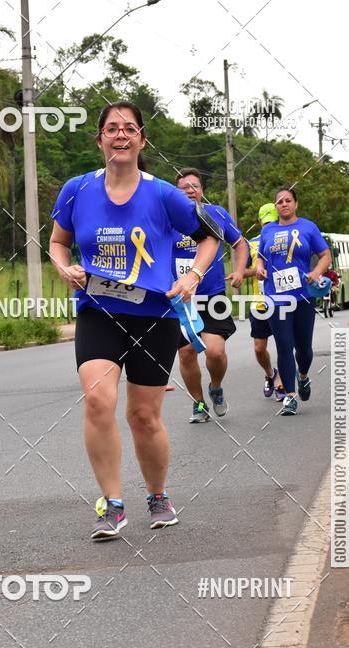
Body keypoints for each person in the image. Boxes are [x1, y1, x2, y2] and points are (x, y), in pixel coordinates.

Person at [49, 102, 221, 540]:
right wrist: (63, 267)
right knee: (97, 400)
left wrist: (193, 275)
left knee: (144, 416)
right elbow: (57, 241)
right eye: (111, 129)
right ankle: (113, 503)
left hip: (153, 315)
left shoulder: (163, 193)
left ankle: (157, 495)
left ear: (142, 140)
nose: (120, 136)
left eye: (129, 129)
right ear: (100, 140)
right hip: (98, 312)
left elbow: (208, 239)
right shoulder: (77, 189)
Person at [172, 168, 248, 421]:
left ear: (201, 190)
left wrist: (238, 271)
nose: (190, 190)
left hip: (212, 295)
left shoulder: (215, 214)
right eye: (183, 188)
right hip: (181, 299)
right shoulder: (168, 219)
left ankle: (215, 387)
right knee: (186, 353)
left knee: (215, 352)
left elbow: (239, 243)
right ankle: (199, 404)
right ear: (176, 194)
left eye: (194, 185)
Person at [255, 186, 331, 416]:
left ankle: (303, 376)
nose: (284, 204)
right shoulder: (268, 231)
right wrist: (259, 268)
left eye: (288, 200)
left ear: (295, 204)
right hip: (276, 299)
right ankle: (289, 396)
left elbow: (325, 255)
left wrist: (316, 272)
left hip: (303, 296)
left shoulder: (308, 227)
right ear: (276, 207)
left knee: (304, 350)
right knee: (284, 346)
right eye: (279, 202)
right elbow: (260, 257)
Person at [243, 202, 285, 400]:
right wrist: (256, 271)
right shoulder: (252, 243)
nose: (268, 226)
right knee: (259, 348)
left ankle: (283, 383)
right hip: (260, 303)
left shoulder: (285, 239)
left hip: (284, 301)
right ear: (260, 223)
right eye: (265, 223)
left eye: (272, 222)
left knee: (285, 344)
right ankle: (271, 374)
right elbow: (241, 271)